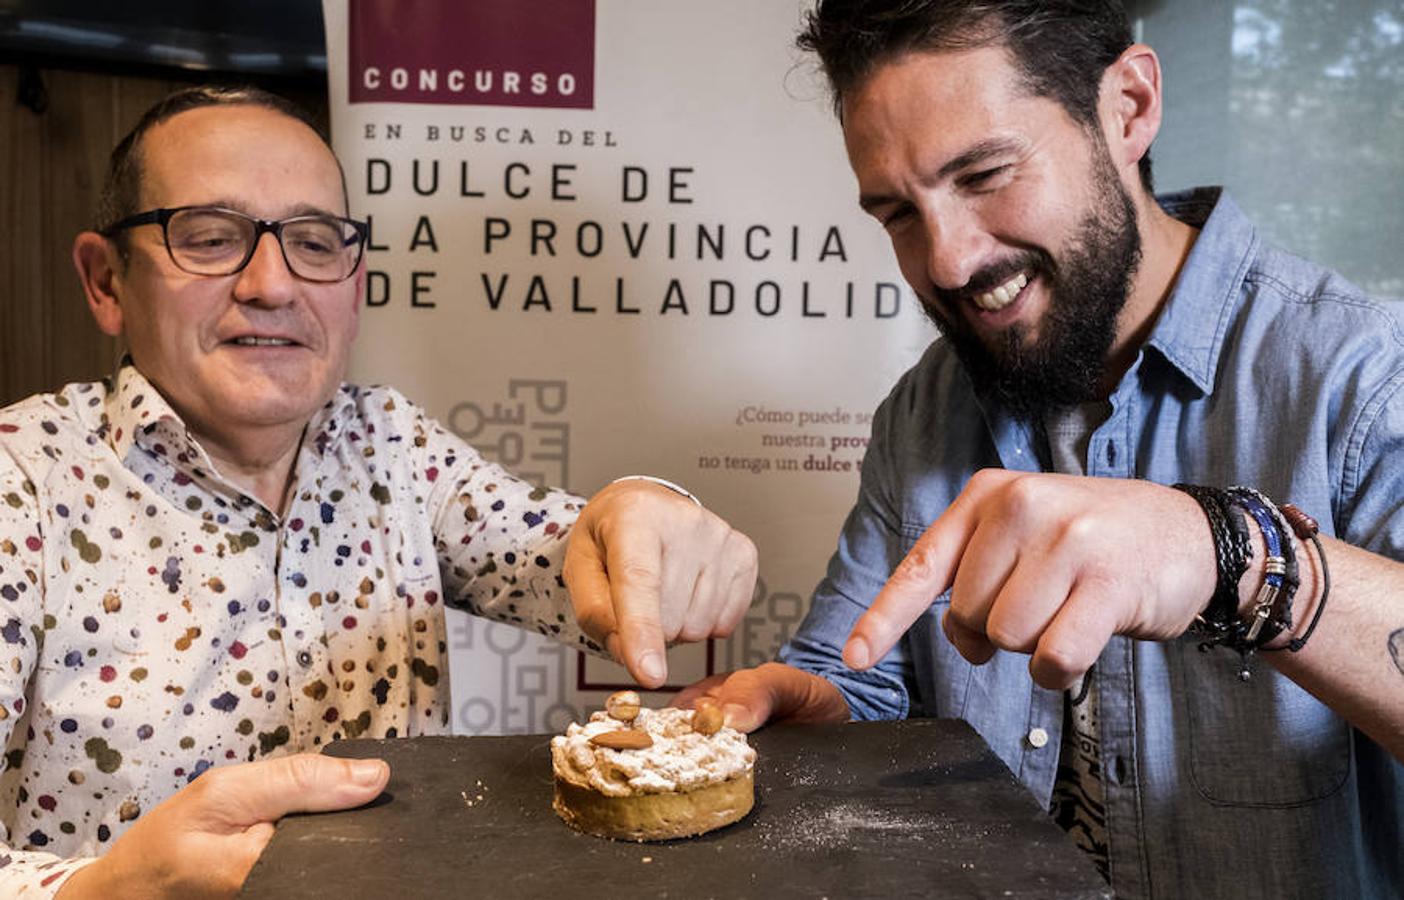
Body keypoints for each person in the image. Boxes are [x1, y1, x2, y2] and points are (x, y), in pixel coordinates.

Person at [674, 2, 1404, 897]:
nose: (945, 262)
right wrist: (815, 709)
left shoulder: (1361, 378)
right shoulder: (924, 411)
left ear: (1129, 107)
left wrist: (1227, 555)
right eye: (898, 213)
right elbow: (859, 679)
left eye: (983, 174)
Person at [0, 86, 756, 898]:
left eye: (316, 243)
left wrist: (647, 513)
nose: (272, 284)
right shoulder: (24, 480)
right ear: (106, 281)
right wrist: (105, 888)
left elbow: (564, 555)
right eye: (212, 238)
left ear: (353, 286)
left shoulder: (392, 443)